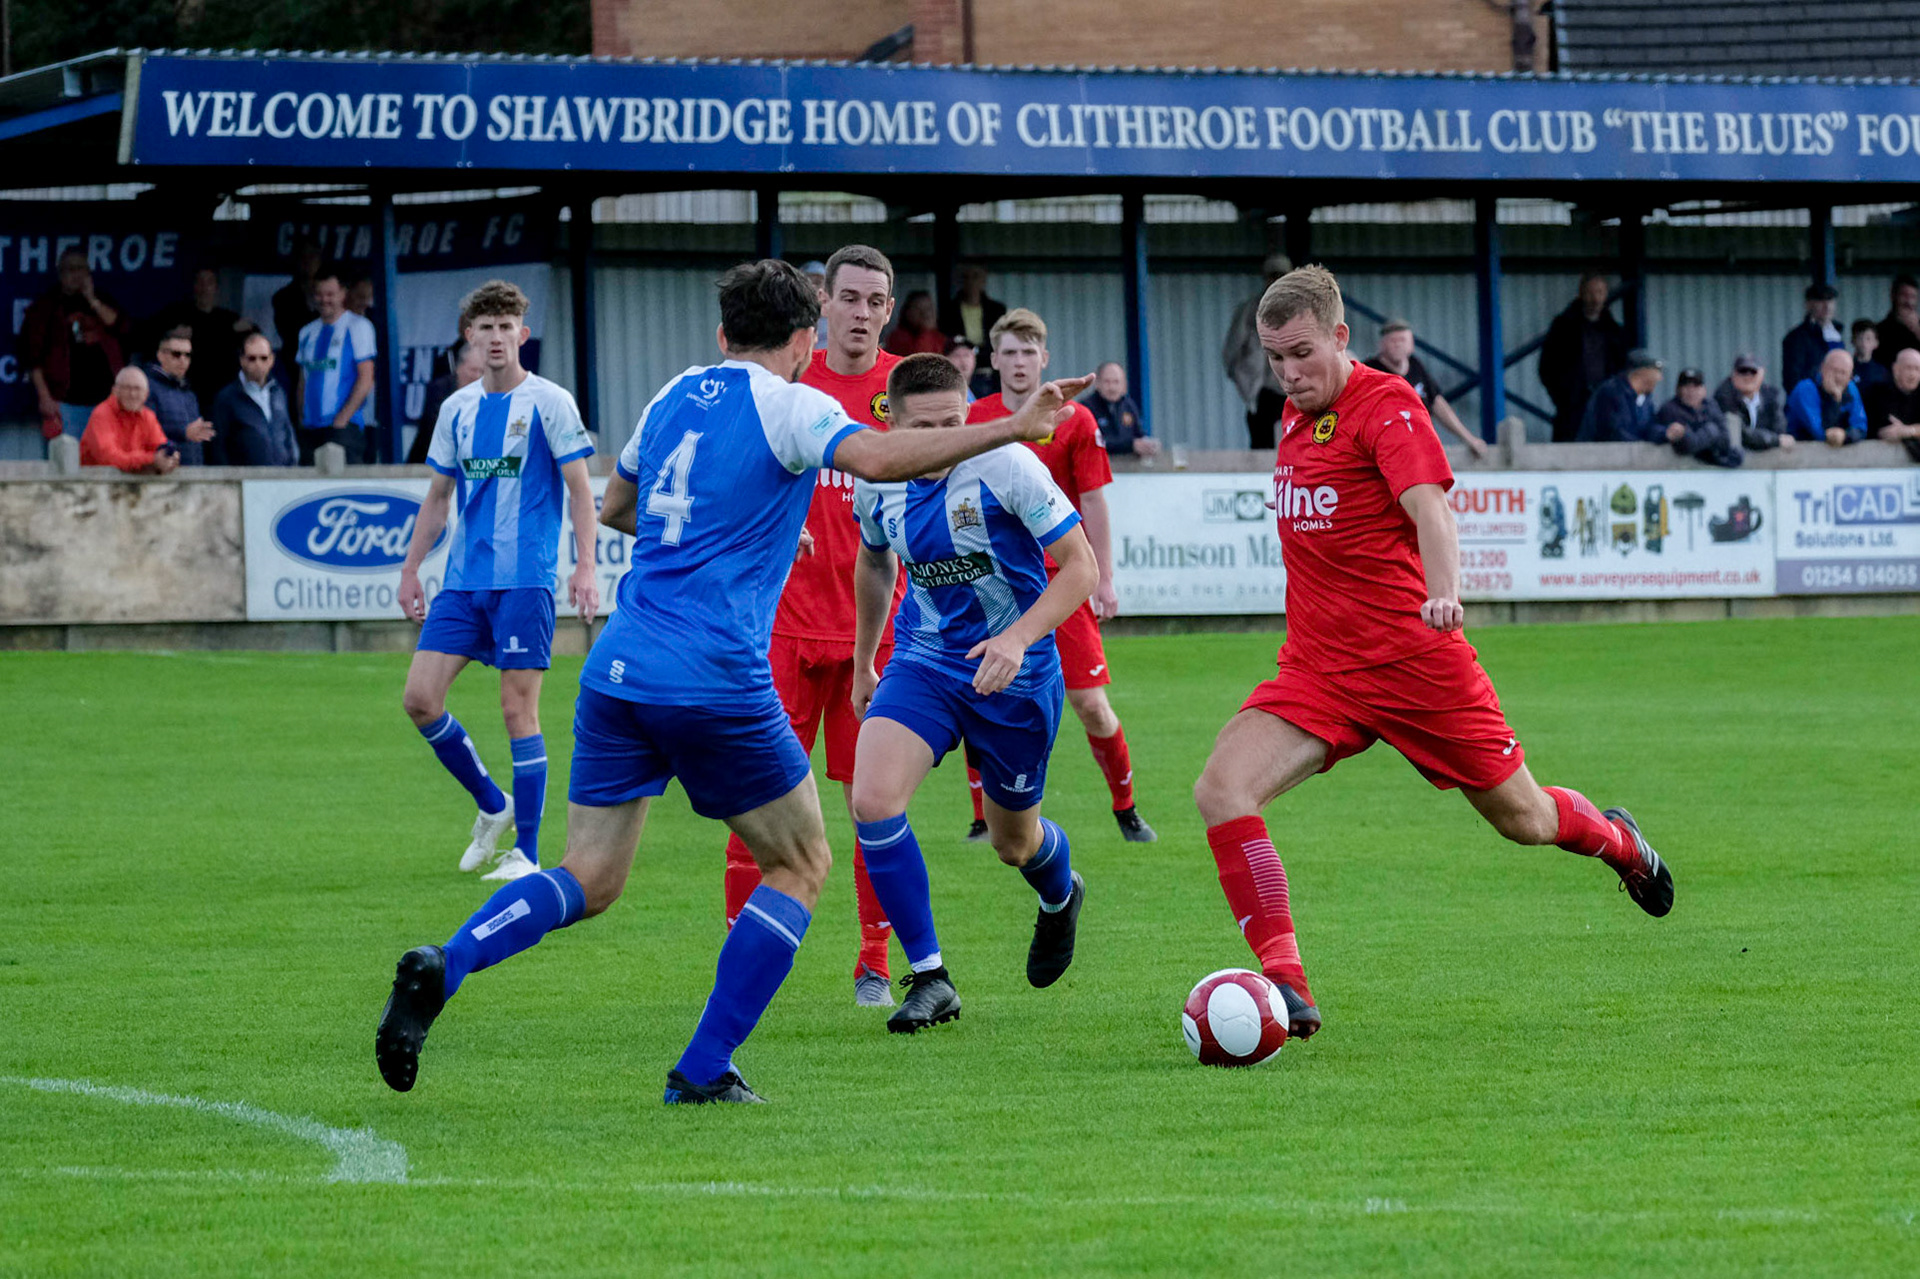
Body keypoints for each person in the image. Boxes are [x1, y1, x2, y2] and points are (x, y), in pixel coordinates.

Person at [373, 259, 1090, 1106]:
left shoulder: (674, 391)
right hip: (715, 673)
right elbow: (883, 456)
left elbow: (616, 508)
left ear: (722, 335)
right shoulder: (793, 402)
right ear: (803, 338)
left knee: (588, 875)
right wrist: (1010, 426)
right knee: (801, 861)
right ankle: (704, 1067)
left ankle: (445, 963)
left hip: (619, 668)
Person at [1189, 264, 1672, 1045]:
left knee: (1526, 819)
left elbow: (1432, 511)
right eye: (1275, 357)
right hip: (1318, 670)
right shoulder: (1291, 413)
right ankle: (1287, 981)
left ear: (1341, 337)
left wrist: (1444, 592)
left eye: (1302, 353)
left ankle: (1618, 839)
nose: (1288, 372)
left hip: (1417, 663)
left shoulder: (1389, 404)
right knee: (1221, 789)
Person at [847, 353, 1099, 1034]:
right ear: (892, 423)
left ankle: (1059, 894)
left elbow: (1081, 567)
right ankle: (930, 977)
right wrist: (865, 658)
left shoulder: (1008, 465)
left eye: (953, 422)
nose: (942, 438)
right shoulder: (878, 479)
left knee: (1013, 843)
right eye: (925, 427)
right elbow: (873, 560)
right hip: (925, 663)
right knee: (871, 799)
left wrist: (1017, 638)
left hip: (1014, 676)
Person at [719, 244, 906, 1008]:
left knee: (875, 803)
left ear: (889, 310)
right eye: (850, 298)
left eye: (876, 301)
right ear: (822, 303)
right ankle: (739, 950)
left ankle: (873, 959)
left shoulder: (905, 386)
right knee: (753, 798)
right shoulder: (786, 385)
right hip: (783, 633)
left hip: (875, 635)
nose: (861, 313)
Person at [394, 280, 601, 886]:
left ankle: (528, 853)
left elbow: (581, 490)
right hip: (463, 582)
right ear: (469, 337)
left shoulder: (549, 402)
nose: (495, 337)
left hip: (525, 580)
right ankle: (492, 805)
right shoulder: (456, 409)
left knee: (518, 711)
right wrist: (410, 568)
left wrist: (584, 565)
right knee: (419, 699)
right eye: (484, 327)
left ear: (522, 336)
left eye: (505, 326)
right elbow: (437, 498)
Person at [970, 308, 1157, 842]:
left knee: (1091, 704)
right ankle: (982, 818)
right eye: (1009, 352)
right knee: (981, 691)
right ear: (994, 360)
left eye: (1029, 352)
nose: (1020, 362)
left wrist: (1105, 578)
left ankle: (1125, 807)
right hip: (992, 581)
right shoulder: (972, 417)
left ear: (1044, 359)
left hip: (1060, 580)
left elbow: (1094, 500)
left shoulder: (1074, 418)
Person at [22, 248, 129, 442]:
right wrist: (44, 397)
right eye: (70, 269)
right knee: (66, 464)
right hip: (65, 402)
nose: (76, 274)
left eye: (81, 269)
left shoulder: (102, 300)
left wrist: (91, 299)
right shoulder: (45, 307)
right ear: (60, 273)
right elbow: (32, 357)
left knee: (104, 464)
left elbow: (120, 326)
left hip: (106, 401)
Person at [1363, 319, 1489, 459]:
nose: (1398, 344)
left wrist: (1469, 439)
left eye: (1402, 340)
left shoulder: (1416, 366)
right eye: (1393, 341)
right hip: (1382, 450)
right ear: (1381, 345)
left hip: (1419, 447)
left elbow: (1437, 403)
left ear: (1411, 345)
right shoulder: (1368, 371)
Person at [294, 268, 378, 463]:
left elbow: (366, 378)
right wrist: (301, 418)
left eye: (330, 294)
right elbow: (302, 381)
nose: (324, 300)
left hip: (343, 429)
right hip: (310, 429)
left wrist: (342, 420)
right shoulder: (307, 332)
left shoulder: (359, 326)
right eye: (319, 294)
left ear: (343, 294)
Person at [144, 267, 253, 416]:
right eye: (200, 282)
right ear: (194, 286)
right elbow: (146, 335)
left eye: (209, 282)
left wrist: (225, 331)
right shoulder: (177, 314)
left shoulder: (228, 318)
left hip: (220, 397)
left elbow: (254, 336)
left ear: (216, 288)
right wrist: (171, 335)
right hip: (184, 394)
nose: (204, 288)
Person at [1538, 271, 1629, 443]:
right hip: (1572, 407)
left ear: (1606, 295)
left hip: (1606, 404)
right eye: (1590, 292)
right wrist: (1562, 397)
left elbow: (1624, 368)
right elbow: (1546, 368)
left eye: (1600, 292)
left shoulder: (1615, 331)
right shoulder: (1562, 327)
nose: (1595, 299)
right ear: (1580, 294)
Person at [1223, 253, 1291, 449]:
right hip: (1263, 392)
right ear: (1265, 278)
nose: (1276, 280)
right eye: (1272, 275)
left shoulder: (1304, 310)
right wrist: (1247, 382)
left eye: (1282, 275)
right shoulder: (1250, 310)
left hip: (1295, 390)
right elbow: (1231, 352)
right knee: (1262, 447)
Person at [209, 333, 299, 467]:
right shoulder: (227, 397)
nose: (258, 364)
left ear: (272, 360)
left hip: (282, 478)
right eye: (252, 358)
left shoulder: (278, 392)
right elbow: (218, 446)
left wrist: (293, 465)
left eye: (263, 358)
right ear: (242, 360)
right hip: (245, 481)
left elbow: (287, 433)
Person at [79, 367, 177, 475]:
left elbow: (160, 449)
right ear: (115, 391)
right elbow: (108, 459)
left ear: (146, 395)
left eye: (137, 389)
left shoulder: (148, 416)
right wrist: (152, 459)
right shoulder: (102, 414)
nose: (132, 394)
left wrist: (169, 458)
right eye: (127, 388)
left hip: (131, 484)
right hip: (95, 484)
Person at [142, 327, 216, 467]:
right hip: (162, 475)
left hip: (193, 474)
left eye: (187, 355)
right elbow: (145, 432)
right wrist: (183, 433)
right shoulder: (147, 388)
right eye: (176, 354)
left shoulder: (189, 394)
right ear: (161, 355)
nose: (183, 360)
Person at [408, 341, 486, 465]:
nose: (477, 376)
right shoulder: (440, 389)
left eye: (481, 372)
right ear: (459, 368)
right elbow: (436, 430)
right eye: (473, 370)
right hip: (429, 465)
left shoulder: (489, 392)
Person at [1655, 369, 1741, 467]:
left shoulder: (1711, 406)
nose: (1691, 392)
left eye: (1696, 386)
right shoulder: (1670, 409)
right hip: (1680, 470)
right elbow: (1686, 446)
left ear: (1704, 390)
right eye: (1686, 387)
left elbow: (1725, 440)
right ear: (1678, 390)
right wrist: (1711, 431)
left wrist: (1700, 434)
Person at [1577, 349, 1663, 442]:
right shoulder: (1611, 392)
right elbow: (1612, 432)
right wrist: (1638, 447)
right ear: (1642, 372)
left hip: (1631, 454)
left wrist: (1665, 433)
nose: (1660, 378)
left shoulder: (1645, 399)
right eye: (1657, 372)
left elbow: (1648, 428)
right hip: (1599, 454)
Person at [1712, 353, 1794, 452]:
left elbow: (1780, 430)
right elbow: (1742, 434)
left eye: (1753, 371)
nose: (1747, 376)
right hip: (1735, 458)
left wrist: (1775, 440)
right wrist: (1775, 440)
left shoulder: (1771, 395)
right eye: (1742, 371)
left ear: (1762, 374)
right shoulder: (1723, 396)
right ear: (1733, 375)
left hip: (1766, 455)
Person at [1786, 348, 1868, 447]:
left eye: (1843, 373)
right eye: (1834, 370)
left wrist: (1846, 436)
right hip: (1800, 452)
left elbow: (1861, 427)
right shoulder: (1806, 388)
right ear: (1823, 368)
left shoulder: (1851, 388)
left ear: (1850, 376)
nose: (1838, 376)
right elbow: (1819, 433)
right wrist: (1834, 399)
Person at [1081, 361, 1159, 459]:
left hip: (1127, 469)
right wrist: (1130, 445)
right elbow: (1090, 443)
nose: (1112, 387)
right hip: (1097, 467)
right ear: (1097, 383)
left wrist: (1147, 445)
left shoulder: (1128, 405)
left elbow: (1139, 434)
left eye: (1116, 382)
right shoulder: (1085, 408)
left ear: (1124, 385)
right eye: (1107, 382)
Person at [1781, 283, 1843, 393]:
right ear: (1808, 304)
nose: (1827, 306)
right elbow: (1792, 380)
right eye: (1821, 301)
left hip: (1836, 402)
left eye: (1831, 301)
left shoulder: (1837, 336)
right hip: (1810, 402)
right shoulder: (1796, 338)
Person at [271, 239, 322, 370]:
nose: (308, 261)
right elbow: (291, 337)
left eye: (312, 256)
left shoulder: (332, 296)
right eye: (303, 256)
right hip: (295, 366)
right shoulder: (282, 298)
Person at [940, 263, 1008, 357]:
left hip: (990, 359)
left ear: (983, 281)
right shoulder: (949, 310)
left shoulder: (997, 310)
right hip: (961, 359)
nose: (970, 281)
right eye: (966, 277)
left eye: (975, 277)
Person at [1866, 348, 1920, 461]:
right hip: (1878, 461)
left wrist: (1908, 431)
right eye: (1908, 368)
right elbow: (1883, 431)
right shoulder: (1877, 393)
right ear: (1896, 369)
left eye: (1917, 369)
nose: (1913, 374)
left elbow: (1901, 432)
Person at [1873, 274, 1920, 369]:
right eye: (1904, 295)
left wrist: (1917, 330)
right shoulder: (1879, 330)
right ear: (1893, 296)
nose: (1909, 302)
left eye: (1913, 297)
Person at [884, 289, 947, 356]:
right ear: (907, 313)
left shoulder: (940, 338)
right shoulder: (898, 338)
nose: (926, 314)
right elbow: (922, 360)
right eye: (918, 308)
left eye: (929, 309)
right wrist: (926, 331)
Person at [1850, 319, 1891, 395]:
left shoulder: (1882, 372)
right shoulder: (1847, 369)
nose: (1864, 343)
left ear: (1876, 343)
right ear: (1852, 341)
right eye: (1859, 338)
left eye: (1868, 339)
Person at [945, 335, 989, 401]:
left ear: (974, 360)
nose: (962, 360)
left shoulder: (986, 388)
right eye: (956, 355)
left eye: (966, 355)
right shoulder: (942, 391)